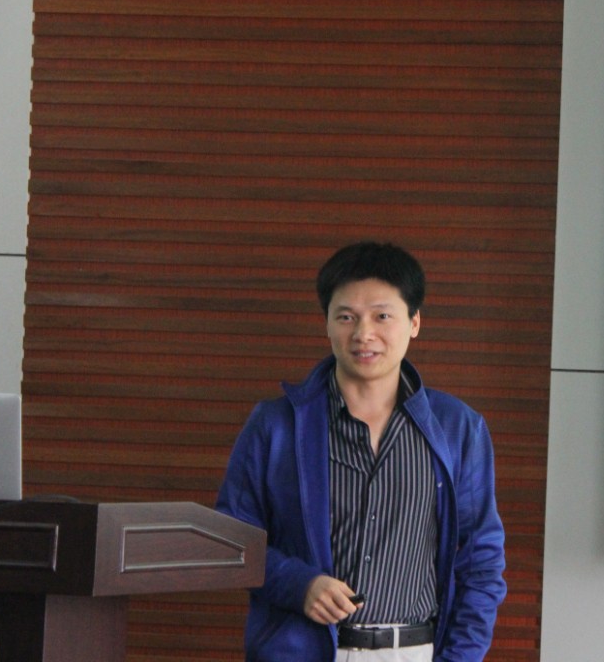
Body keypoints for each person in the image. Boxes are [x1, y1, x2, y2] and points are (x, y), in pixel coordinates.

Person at [216, 241, 506, 661]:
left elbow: (482, 561)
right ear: (327, 324)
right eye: (346, 317)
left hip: (413, 651)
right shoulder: (276, 425)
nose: (363, 334)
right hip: (302, 651)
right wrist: (298, 584)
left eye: (382, 316)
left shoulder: (458, 428)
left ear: (415, 322)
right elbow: (231, 537)